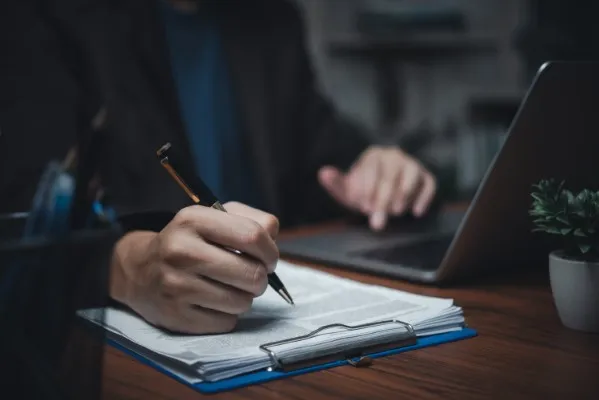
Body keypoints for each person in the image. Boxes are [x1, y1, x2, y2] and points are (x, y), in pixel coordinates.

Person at [0, 0, 438, 334]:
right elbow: (24, 215)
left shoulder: (270, 16)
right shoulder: (48, 16)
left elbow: (319, 149)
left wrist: (370, 167)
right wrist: (122, 269)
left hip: (268, 315)